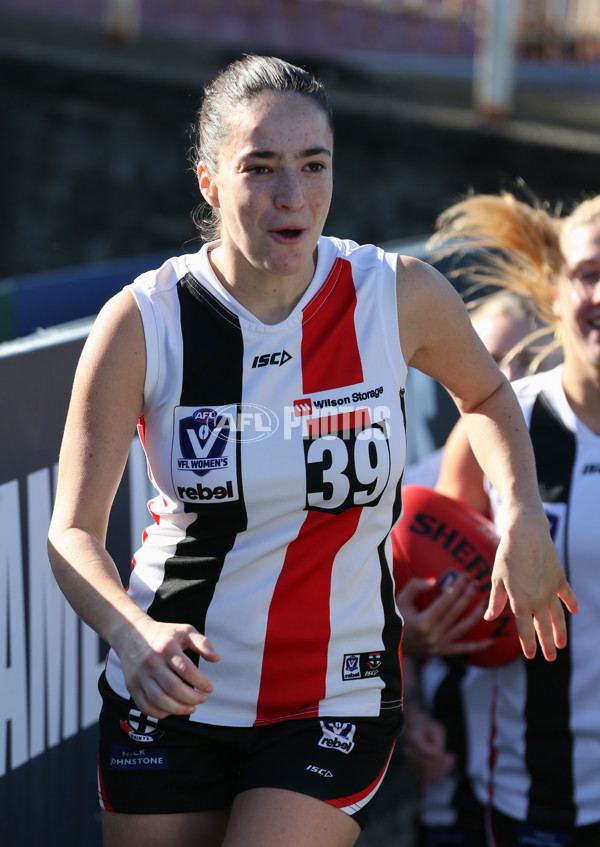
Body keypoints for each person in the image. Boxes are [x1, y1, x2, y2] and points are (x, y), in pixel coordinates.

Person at [47, 56, 575, 847]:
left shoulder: (396, 295)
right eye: (260, 169)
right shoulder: (144, 322)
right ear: (209, 184)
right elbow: (72, 531)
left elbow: (491, 396)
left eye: (312, 165)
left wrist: (523, 514)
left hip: (335, 694)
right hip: (172, 685)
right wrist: (132, 632)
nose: (292, 196)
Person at [429, 191, 600, 846]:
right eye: (589, 274)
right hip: (528, 794)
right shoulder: (503, 426)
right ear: (554, 291)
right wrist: (419, 633)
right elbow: (418, 578)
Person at [398, 289, 558, 847]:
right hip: (454, 785)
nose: (509, 379)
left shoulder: (574, 472)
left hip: (556, 774)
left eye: (529, 361)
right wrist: (412, 711)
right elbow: (382, 618)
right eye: (491, 362)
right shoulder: (416, 489)